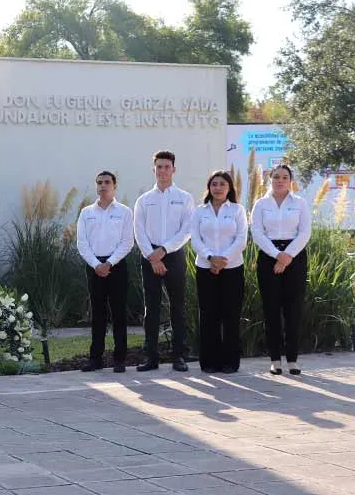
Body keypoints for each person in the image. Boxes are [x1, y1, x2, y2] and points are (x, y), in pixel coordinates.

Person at [133, 150, 195, 372]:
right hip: (150, 257)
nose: (163, 171)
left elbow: (187, 230)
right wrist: (153, 256)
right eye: (159, 167)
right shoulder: (143, 200)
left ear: (174, 169)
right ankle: (151, 357)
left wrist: (165, 250)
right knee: (151, 309)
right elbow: (138, 231)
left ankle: (179, 356)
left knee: (178, 307)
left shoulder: (185, 198)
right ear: (154, 170)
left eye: (167, 167)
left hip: (174, 256)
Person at [250, 164, 311, 376]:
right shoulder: (261, 204)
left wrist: (287, 256)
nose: (280, 181)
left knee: (293, 310)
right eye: (276, 177)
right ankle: (275, 360)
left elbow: (304, 232)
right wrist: (277, 255)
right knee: (271, 310)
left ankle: (292, 360)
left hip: (295, 256)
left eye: (285, 177)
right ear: (270, 179)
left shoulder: (300, 203)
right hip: (269, 257)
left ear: (290, 181)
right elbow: (257, 233)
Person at [189, 171, 248, 373]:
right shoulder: (199, 211)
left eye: (222, 184)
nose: (218, 187)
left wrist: (223, 260)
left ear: (229, 187)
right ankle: (209, 362)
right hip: (205, 268)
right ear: (209, 187)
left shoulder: (238, 210)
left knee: (230, 315)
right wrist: (210, 258)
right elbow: (195, 239)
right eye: (214, 184)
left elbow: (241, 239)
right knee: (208, 316)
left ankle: (230, 362)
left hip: (232, 268)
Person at [76, 171, 134, 373]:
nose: (103, 185)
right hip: (94, 268)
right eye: (99, 182)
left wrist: (109, 263)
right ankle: (96, 359)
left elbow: (128, 242)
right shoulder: (86, 213)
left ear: (114, 186)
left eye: (107, 182)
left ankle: (120, 359)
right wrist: (96, 264)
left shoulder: (125, 212)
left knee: (119, 314)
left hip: (116, 266)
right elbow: (82, 243)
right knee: (98, 315)